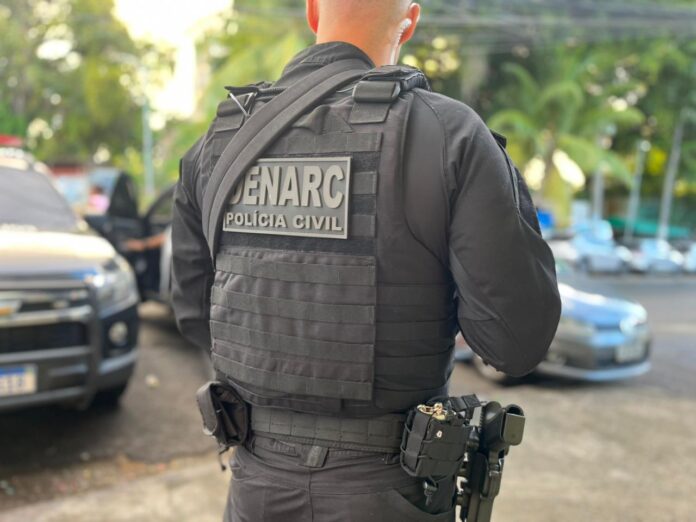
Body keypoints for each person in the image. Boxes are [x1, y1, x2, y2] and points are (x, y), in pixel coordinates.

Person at [171, 1, 561, 520]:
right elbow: (515, 342)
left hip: (255, 487)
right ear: (410, 20)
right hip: (391, 490)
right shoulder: (448, 134)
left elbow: (196, 316)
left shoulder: (218, 144)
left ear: (313, 11)